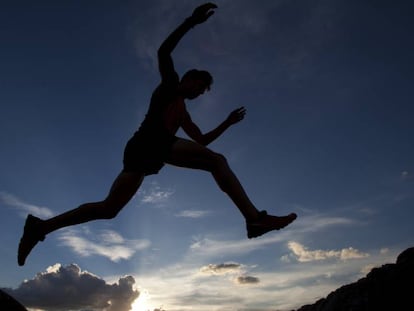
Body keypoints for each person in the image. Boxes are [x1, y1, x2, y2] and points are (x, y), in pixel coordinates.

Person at [18, 3, 297, 266]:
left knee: (108, 208)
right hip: (150, 143)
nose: (199, 94)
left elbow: (201, 140)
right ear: (188, 79)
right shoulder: (170, 86)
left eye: (201, 93)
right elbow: (164, 52)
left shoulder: (183, 112)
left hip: (143, 155)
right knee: (217, 161)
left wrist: (227, 123)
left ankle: (41, 227)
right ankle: (253, 218)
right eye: (198, 87)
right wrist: (191, 22)